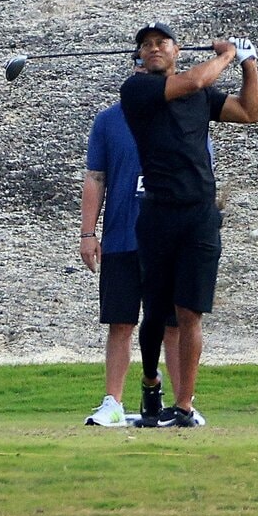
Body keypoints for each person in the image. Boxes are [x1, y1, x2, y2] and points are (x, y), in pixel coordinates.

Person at [119, 21, 258, 428]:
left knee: (190, 312)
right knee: (156, 313)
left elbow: (249, 112)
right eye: (145, 45)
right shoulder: (138, 90)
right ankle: (150, 382)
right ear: (140, 57)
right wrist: (228, 54)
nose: (153, 48)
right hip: (158, 213)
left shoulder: (200, 95)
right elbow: (195, 80)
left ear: (176, 49)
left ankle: (183, 406)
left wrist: (249, 64)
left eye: (161, 42)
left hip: (199, 214)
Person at [79, 94, 183, 428]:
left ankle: (183, 406)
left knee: (173, 324)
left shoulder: (184, 115)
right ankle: (113, 403)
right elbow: (96, 177)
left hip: (168, 238)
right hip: (122, 237)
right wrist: (87, 233)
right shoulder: (109, 120)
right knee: (121, 323)